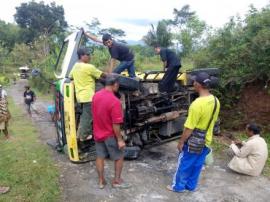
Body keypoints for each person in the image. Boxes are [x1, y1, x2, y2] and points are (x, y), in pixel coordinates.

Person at [167, 72, 220, 192]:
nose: (193, 83)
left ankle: (178, 187)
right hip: (206, 139)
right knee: (197, 165)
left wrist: (181, 142)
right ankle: (191, 186)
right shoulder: (216, 100)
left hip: (194, 142)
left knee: (185, 164)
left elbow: (189, 128)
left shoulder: (197, 104)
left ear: (198, 85)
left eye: (194, 82)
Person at [92, 74, 130, 189]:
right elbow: (116, 124)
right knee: (119, 157)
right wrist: (119, 140)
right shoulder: (115, 101)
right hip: (109, 135)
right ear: (115, 85)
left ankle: (101, 181)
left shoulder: (96, 96)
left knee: (100, 157)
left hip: (98, 132)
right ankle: (117, 181)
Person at [69, 48, 106, 141]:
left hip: (80, 97)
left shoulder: (75, 66)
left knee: (84, 116)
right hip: (89, 97)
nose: (89, 56)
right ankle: (83, 136)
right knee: (88, 117)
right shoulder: (89, 67)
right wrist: (113, 75)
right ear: (82, 56)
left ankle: (80, 135)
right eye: (88, 55)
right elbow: (103, 75)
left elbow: (70, 77)